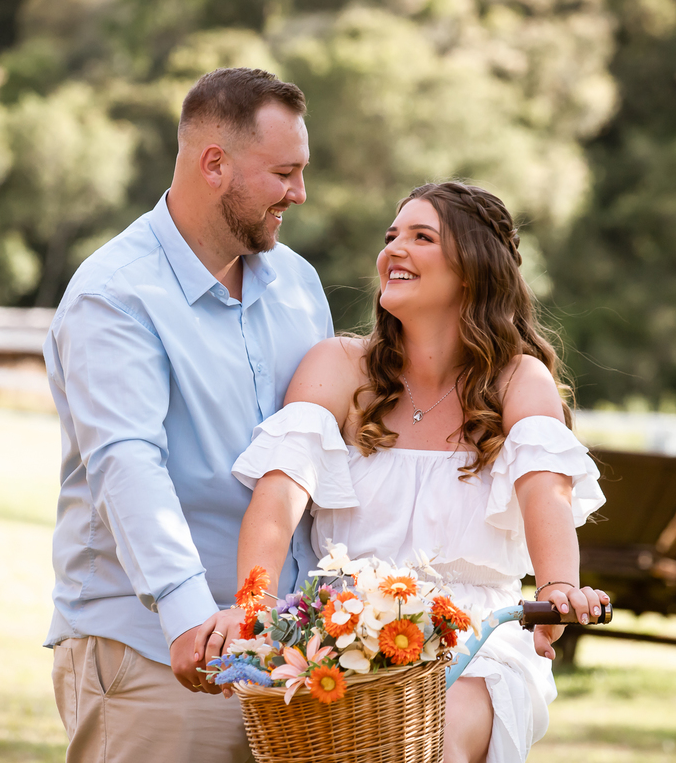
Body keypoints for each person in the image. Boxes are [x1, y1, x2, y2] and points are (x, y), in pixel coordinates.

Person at [198, 181, 609, 763]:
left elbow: (548, 496)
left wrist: (558, 588)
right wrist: (253, 603)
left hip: (477, 638)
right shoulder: (338, 365)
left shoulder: (519, 381)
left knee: (433, 741)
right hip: (346, 627)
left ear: (472, 269)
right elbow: (278, 498)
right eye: (392, 236)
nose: (394, 249)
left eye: (422, 237)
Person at [42, 67, 333, 763]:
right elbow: (127, 465)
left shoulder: (298, 283)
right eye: (284, 173)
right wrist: (188, 618)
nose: (299, 192)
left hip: (286, 658)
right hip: (158, 654)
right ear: (215, 165)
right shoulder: (116, 296)